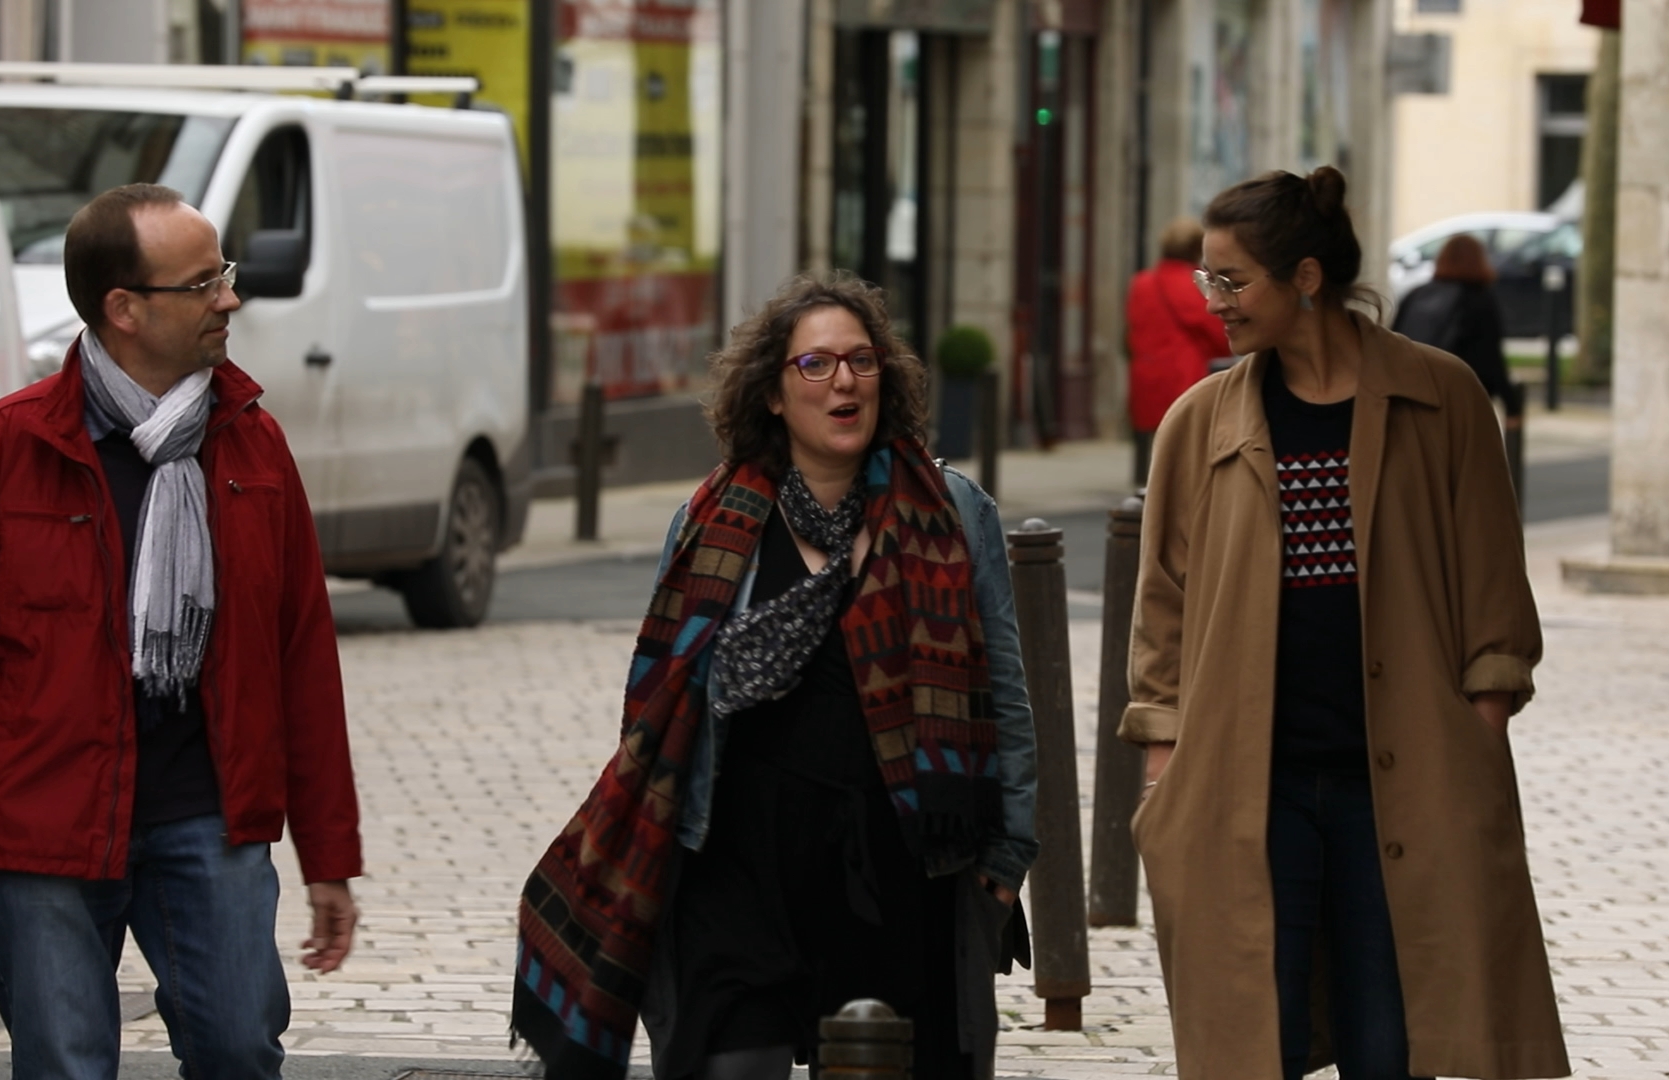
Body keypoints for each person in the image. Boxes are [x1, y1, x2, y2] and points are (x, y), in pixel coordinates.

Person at [514, 273, 1037, 1080]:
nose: (844, 383)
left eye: (861, 362)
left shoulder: (952, 513)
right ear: (771, 393)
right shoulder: (711, 520)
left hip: (899, 864)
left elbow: (1004, 692)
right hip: (740, 861)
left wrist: (1005, 864)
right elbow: (654, 705)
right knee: (730, 1064)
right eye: (817, 365)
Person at [1118, 167, 1570, 1080]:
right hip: (1246, 786)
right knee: (1253, 1046)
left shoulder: (1442, 401)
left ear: (1307, 279)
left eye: (1233, 281)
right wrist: (1164, 773)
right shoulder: (1197, 424)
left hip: (1400, 783)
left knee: (1390, 1044)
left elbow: (1495, 603)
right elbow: (1161, 613)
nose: (1215, 303)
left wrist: (1473, 744)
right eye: (1209, 279)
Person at [0, 183, 361, 1078]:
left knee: (239, 1049)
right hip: (47, 829)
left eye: (223, 274)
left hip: (211, 815)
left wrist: (329, 855)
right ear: (123, 308)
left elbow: (302, 654)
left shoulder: (252, 445)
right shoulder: (12, 448)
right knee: (64, 1064)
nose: (229, 298)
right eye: (202, 284)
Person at [1126, 217, 1233, 482]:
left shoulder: (1141, 283)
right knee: (1187, 447)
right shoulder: (1191, 285)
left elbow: (1131, 331)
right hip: (1183, 374)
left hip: (1147, 374)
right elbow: (1219, 334)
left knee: (1155, 446)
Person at [1390, 233, 1512, 403]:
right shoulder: (1479, 299)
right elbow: (1491, 356)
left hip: (1412, 389)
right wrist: (1511, 403)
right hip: (1461, 392)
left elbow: (1392, 341)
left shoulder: (1417, 294)